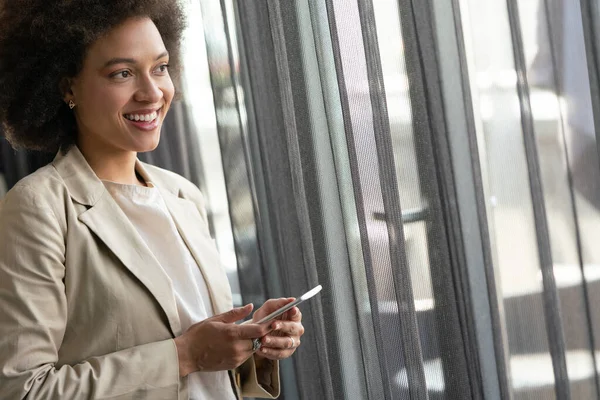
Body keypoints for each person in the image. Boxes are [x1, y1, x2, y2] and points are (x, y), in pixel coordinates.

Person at [0, 1, 305, 399]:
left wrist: (251, 345)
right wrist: (185, 356)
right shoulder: (38, 208)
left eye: (160, 67)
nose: (152, 92)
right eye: (123, 73)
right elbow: (24, 390)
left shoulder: (183, 196)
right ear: (67, 86)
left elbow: (200, 368)